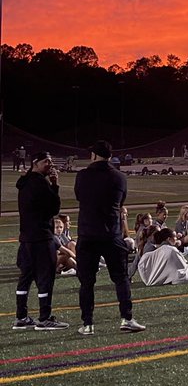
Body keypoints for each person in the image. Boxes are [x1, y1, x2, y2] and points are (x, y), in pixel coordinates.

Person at [74, 140, 145, 334]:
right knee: (121, 278)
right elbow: (121, 201)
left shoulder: (83, 175)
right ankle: (126, 318)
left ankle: (87, 324)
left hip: (88, 233)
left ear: (95, 155)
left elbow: (79, 196)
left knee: (87, 282)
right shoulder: (120, 177)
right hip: (110, 233)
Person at [13, 152, 67, 330]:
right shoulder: (39, 183)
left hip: (26, 238)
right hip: (41, 238)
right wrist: (55, 185)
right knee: (45, 278)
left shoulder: (25, 182)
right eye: (46, 162)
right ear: (35, 163)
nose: (50, 165)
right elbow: (54, 207)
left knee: (25, 277)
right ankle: (44, 318)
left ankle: (21, 317)